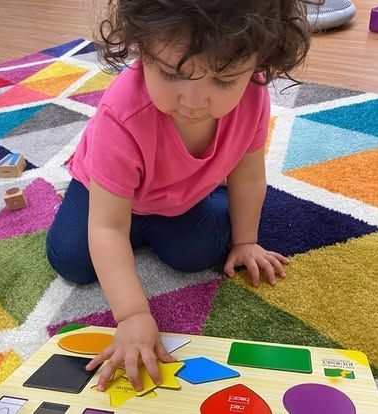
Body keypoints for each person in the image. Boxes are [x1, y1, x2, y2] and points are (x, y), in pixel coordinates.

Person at [46, 0, 313, 393]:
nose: (193, 101)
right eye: (172, 73)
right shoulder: (121, 116)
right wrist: (134, 315)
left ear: (260, 64)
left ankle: (193, 210)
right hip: (104, 194)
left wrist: (246, 241)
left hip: (179, 196)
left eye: (223, 81)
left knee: (199, 255)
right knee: (72, 260)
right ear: (140, 48)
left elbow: (250, 175)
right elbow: (106, 226)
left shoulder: (254, 96)